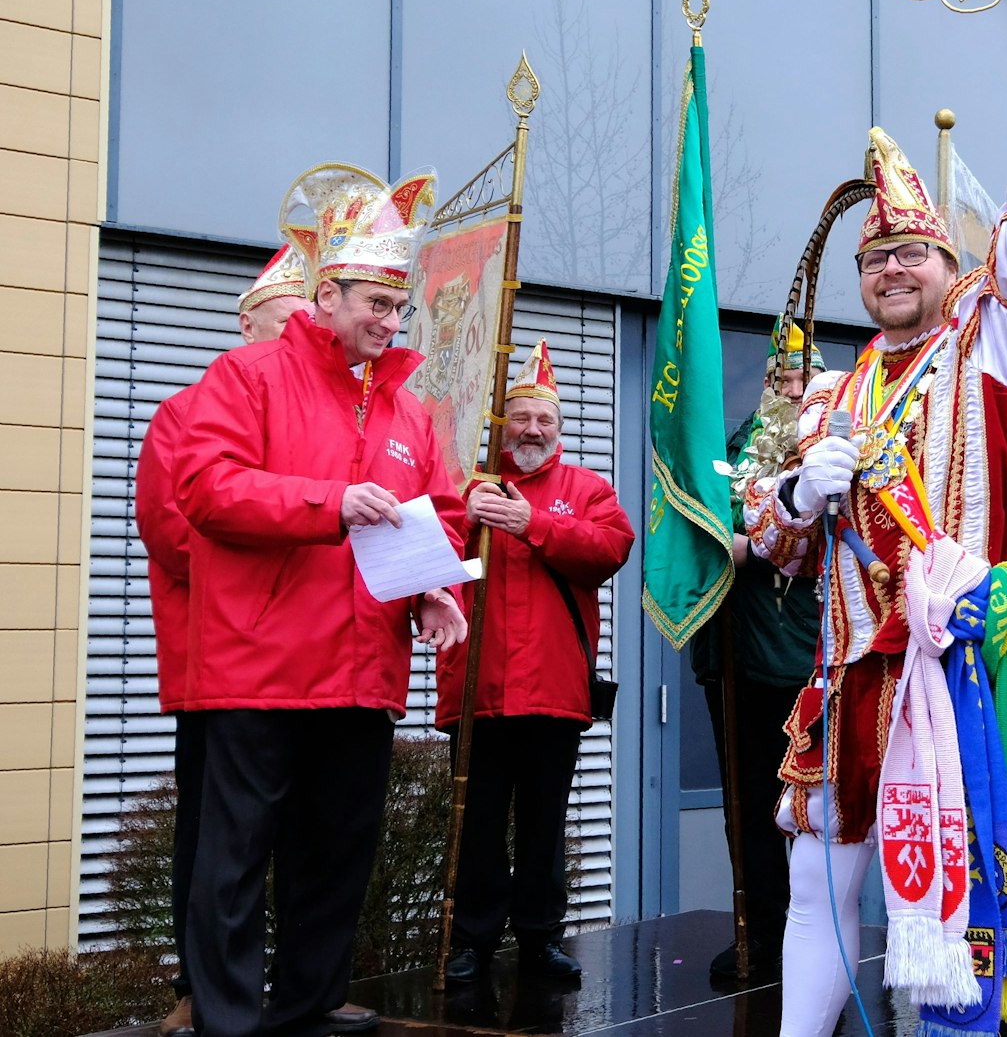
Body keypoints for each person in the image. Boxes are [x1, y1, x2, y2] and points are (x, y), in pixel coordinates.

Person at [740, 0, 1007, 1037]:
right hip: (849, 676)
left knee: (943, 899)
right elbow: (757, 536)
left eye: (912, 253)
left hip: (956, 678)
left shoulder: (992, 347)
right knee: (817, 891)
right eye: (874, 258)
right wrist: (798, 497)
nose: (892, 269)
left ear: (953, 270)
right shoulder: (825, 393)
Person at [173, 163, 469, 1037]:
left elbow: (437, 513)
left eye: (398, 306)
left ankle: (303, 1012)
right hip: (258, 666)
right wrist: (327, 503)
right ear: (326, 293)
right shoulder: (247, 377)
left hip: (363, 672)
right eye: (375, 302)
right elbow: (205, 486)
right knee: (233, 862)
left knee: (337, 856)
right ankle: (225, 1023)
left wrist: (434, 592)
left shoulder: (412, 415)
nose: (390, 321)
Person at [135, 248, 380, 1037]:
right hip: (235, 652)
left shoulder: (363, 401)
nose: (300, 334)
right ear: (250, 324)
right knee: (225, 841)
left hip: (334, 655)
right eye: (287, 322)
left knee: (322, 837)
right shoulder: (202, 402)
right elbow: (181, 526)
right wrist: (296, 539)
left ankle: (303, 994)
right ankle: (204, 996)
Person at [436, 340, 635, 985]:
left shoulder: (586, 489)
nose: (532, 430)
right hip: (476, 688)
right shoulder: (468, 484)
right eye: (521, 417)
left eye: (544, 420)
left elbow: (611, 549)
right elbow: (426, 553)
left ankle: (541, 940)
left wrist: (535, 525)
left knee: (545, 826)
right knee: (477, 825)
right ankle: (470, 943)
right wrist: (464, 518)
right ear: (503, 423)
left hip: (553, 690)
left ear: (559, 427)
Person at [689, 319, 826, 981]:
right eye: (777, 377)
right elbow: (700, 524)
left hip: (800, 658)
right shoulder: (731, 451)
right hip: (731, 653)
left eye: (798, 376)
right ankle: (758, 932)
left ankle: (807, 934)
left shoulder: (828, 451)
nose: (787, 387)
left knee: (800, 810)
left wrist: (747, 545)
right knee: (743, 803)